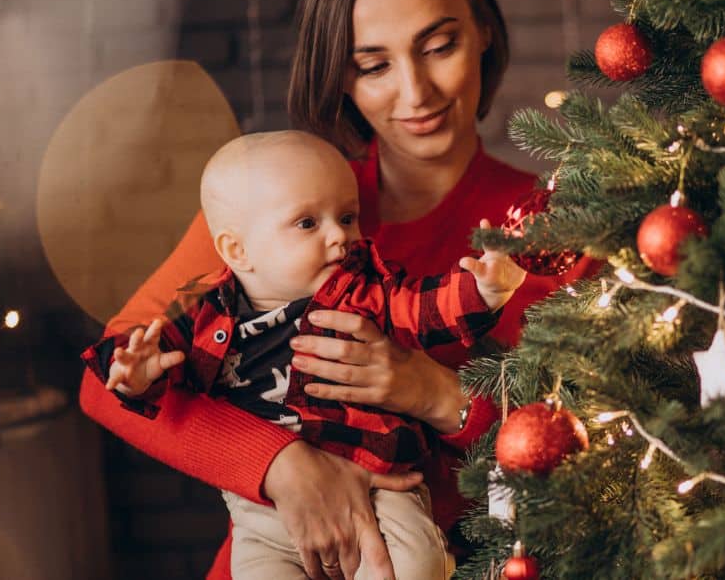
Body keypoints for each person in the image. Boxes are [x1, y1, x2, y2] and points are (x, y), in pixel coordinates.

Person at [77, 0, 592, 580]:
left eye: (439, 46)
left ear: (483, 29)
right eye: (373, 65)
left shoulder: (557, 228)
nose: (417, 91)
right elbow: (104, 382)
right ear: (341, 77)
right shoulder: (274, 205)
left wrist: (435, 394)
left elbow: (594, 445)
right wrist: (280, 465)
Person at [82, 130, 528, 579]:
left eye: (349, 217)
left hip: (379, 479)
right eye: (308, 224)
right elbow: (147, 374)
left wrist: (482, 291)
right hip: (261, 511)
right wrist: (139, 374)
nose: (341, 236)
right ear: (238, 250)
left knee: (415, 567)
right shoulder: (208, 315)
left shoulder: (361, 290)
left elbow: (425, 307)